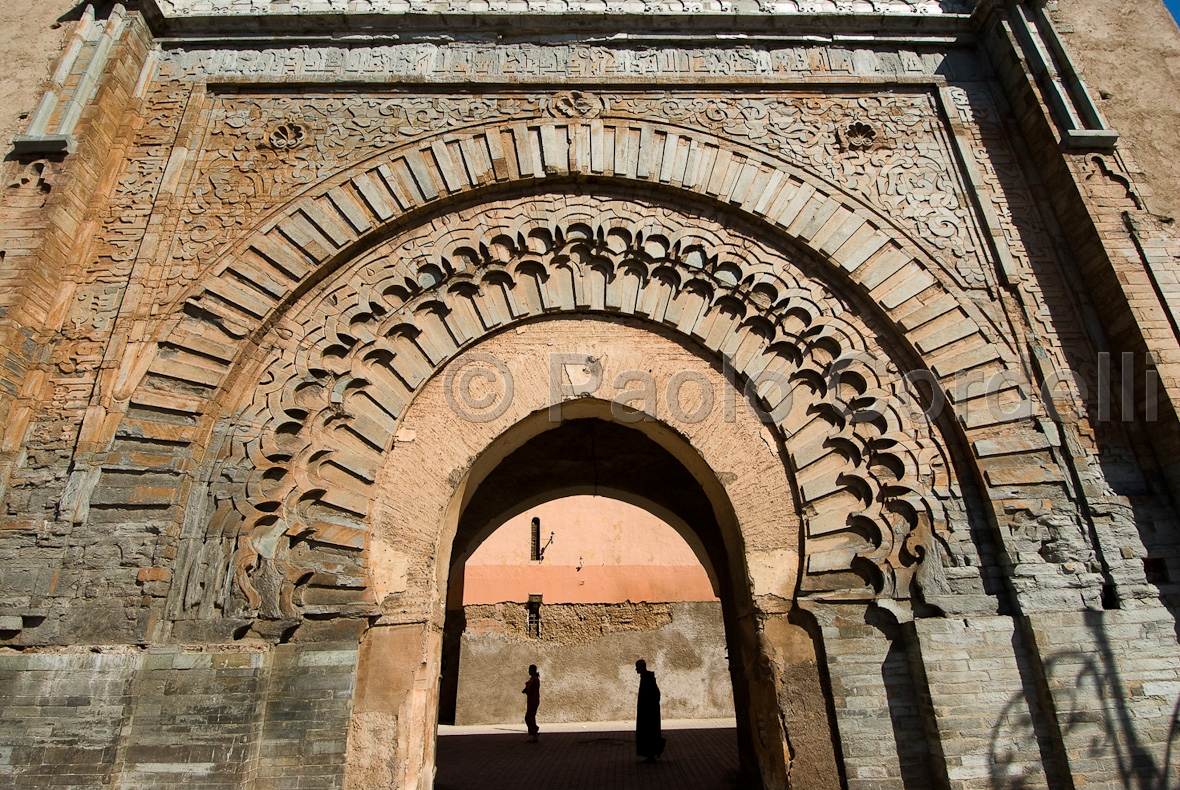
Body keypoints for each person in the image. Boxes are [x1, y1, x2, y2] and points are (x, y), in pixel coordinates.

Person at [635, 659, 665, 761]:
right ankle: (650, 754)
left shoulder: (648, 679)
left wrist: (649, 707)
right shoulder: (646, 678)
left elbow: (655, 694)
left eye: (637, 667)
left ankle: (652, 753)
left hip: (649, 712)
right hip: (647, 711)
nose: (636, 669)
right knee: (649, 733)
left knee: (649, 733)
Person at [523, 664, 541, 742]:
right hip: (531, 701)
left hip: (533, 702)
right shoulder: (532, 679)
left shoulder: (534, 680)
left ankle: (534, 732)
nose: (529, 672)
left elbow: (530, 690)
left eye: (530, 670)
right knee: (530, 718)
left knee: (529, 718)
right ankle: (534, 733)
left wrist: (527, 688)